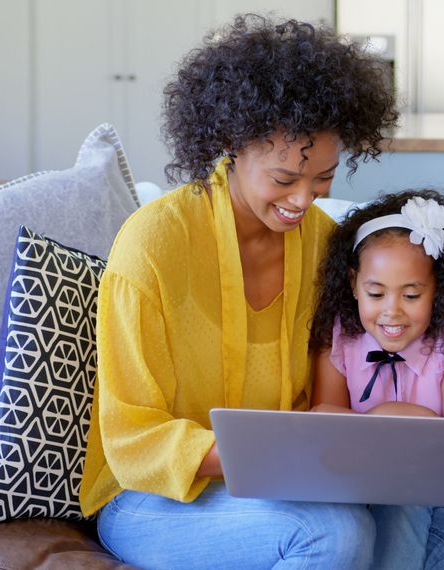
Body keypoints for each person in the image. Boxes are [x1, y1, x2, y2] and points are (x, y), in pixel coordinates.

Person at [77, 15, 398, 568]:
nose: (304, 199)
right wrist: (268, 457)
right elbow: (131, 436)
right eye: (283, 179)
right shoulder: (154, 245)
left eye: (322, 177)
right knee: (334, 535)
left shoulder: (324, 243)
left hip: (287, 481)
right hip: (152, 497)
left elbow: (334, 381)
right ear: (230, 142)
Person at [309, 189, 444, 569]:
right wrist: (401, 430)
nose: (392, 311)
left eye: (411, 294)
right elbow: (326, 433)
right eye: (375, 292)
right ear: (354, 284)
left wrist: (383, 418)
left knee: (406, 485)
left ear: (438, 289)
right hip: (361, 486)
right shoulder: (338, 338)